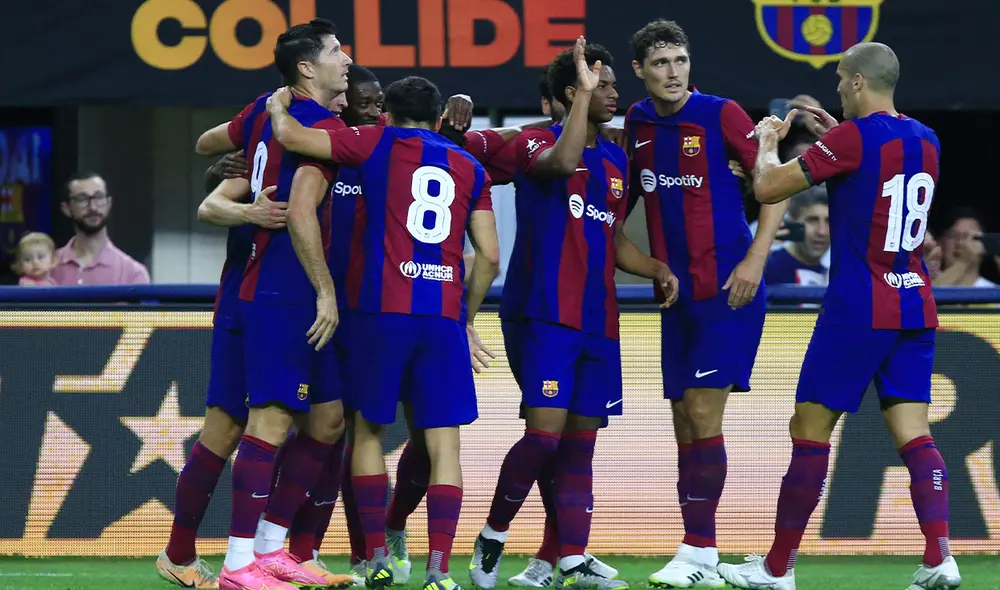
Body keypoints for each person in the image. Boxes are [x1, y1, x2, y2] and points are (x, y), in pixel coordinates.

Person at [717, 42, 961, 590]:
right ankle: (939, 555)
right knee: (914, 434)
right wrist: (835, 141)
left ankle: (777, 569)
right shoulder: (926, 139)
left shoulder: (852, 138)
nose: (836, 90)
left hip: (858, 308)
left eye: (838, 81)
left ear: (855, 83)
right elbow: (875, 173)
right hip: (913, 302)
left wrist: (766, 144)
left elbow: (767, 186)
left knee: (809, 431)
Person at [266, 74, 501, 590]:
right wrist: (465, 316)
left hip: (380, 311)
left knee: (368, 432)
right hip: (441, 318)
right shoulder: (471, 165)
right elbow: (488, 256)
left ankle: (374, 557)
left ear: (388, 114)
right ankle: (441, 569)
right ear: (440, 120)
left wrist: (278, 107)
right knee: (445, 447)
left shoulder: (375, 139)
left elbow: (293, 139)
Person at [469, 37, 676, 590]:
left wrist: (655, 266)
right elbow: (562, 160)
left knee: (581, 443)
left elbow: (611, 242)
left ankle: (569, 560)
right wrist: (583, 100)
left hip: (597, 320)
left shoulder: (614, 159)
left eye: (610, 85)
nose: (613, 93)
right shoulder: (533, 142)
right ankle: (491, 536)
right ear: (571, 91)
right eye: (601, 84)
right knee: (543, 437)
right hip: (542, 312)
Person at [623, 19, 788, 588]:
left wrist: (755, 261)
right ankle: (698, 552)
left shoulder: (721, 114)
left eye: (681, 61)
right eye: (661, 63)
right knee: (682, 422)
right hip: (677, 297)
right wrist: (652, 267)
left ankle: (699, 551)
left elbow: (776, 186)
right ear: (640, 71)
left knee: (700, 413)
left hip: (728, 287)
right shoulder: (637, 124)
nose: (673, 73)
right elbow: (620, 212)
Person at [195, 18, 354, 590]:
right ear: (308, 68)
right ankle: (239, 566)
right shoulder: (311, 125)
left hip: (279, 286)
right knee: (269, 420)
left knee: (328, 418)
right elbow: (302, 214)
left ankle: (269, 548)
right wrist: (326, 292)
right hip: (287, 287)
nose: (347, 56)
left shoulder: (274, 113)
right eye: (337, 50)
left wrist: (244, 149)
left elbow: (207, 143)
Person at [52, 173, 150, 285]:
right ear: (66, 208)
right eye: (82, 199)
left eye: (98, 197)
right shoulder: (46, 268)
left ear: (109, 204)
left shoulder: (133, 273)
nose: (93, 207)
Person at [763, 187, 830, 286]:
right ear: (791, 222)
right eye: (812, 220)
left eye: (829, 222)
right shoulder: (766, 267)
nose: (822, 231)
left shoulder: (836, 276)